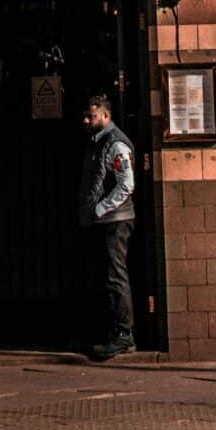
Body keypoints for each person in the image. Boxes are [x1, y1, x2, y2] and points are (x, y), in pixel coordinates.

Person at [79, 94, 136, 359]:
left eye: (91, 116)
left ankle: (124, 335)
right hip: (103, 221)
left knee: (116, 276)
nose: (86, 120)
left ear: (106, 116)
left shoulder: (115, 144)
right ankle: (113, 332)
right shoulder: (98, 142)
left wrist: (101, 208)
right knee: (107, 276)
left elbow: (127, 184)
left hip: (115, 220)